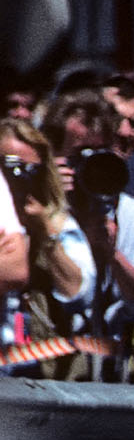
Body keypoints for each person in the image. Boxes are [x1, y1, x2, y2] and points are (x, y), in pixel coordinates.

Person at [41, 91, 134, 380]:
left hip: (114, 365)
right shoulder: (35, 209)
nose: (89, 165)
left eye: (99, 153)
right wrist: (48, 204)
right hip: (46, 364)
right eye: (79, 156)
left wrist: (113, 254)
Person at [0, 118, 97, 378]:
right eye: (9, 167)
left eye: (30, 170)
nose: (17, 178)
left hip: (41, 371)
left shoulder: (59, 222)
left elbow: (78, 294)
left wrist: (44, 231)